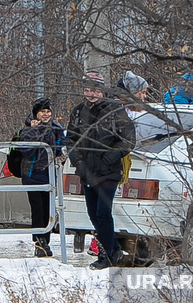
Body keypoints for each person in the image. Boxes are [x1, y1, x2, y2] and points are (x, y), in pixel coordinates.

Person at [66, 72, 136, 270]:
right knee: (92, 213)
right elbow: (70, 139)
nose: (91, 94)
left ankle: (106, 255)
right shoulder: (79, 111)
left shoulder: (115, 110)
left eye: (95, 90)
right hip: (86, 170)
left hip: (109, 170)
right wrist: (77, 161)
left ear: (103, 90)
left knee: (103, 212)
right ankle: (114, 249)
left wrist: (110, 157)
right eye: (87, 90)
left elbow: (129, 140)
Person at [18, 97, 65, 257]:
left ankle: (46, 241)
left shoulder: (56, 128)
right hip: (32, 175)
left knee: (48, 209)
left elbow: (60, 146)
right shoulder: (27, 129)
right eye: (42, 112)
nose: (45, 115)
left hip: (49, 175)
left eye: (48, 111)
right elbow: (27, 151)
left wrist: (61, 154)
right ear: (36, 113)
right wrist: (34, 131)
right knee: (37, 210)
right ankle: (39, 242)